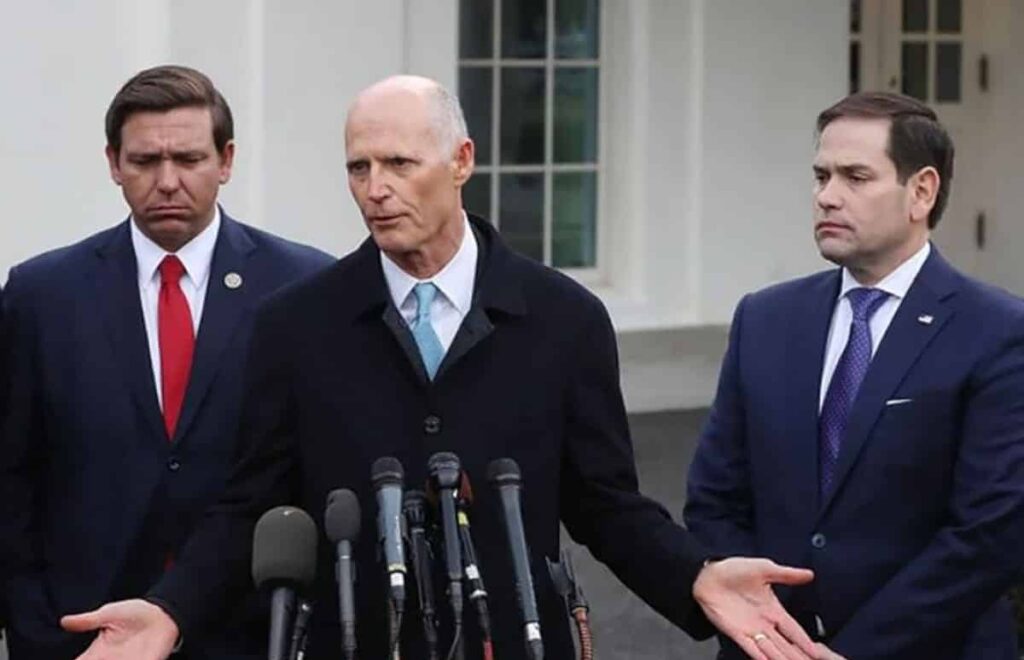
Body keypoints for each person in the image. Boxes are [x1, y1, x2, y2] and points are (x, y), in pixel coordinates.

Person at [61, 75, 839, 660]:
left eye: (400, 162)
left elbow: (604, 503)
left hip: (514, 639)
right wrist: (167, 612)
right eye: (359, 167)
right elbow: (248, 506)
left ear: (462, 160)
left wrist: (696, 576)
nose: (376, 189)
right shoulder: (296, 325)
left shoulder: (563, 318)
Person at [0, 65, 333, 659]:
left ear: (226, 161)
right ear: (112, 163)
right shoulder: (42, 294)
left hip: (251, 635)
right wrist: (32, 632)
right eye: (145, 161)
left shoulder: (302, 287)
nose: (168, 181)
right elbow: (14, 479)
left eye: (189, 158)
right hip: (85, 634)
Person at [685, 91, 1024, 659]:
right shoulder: (765, 319)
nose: (827, 197)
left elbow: (989, 534)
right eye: (821, 176)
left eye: (855, 177)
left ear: (921, 191)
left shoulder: (996, 330)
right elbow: (715, 498)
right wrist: (768, 630)